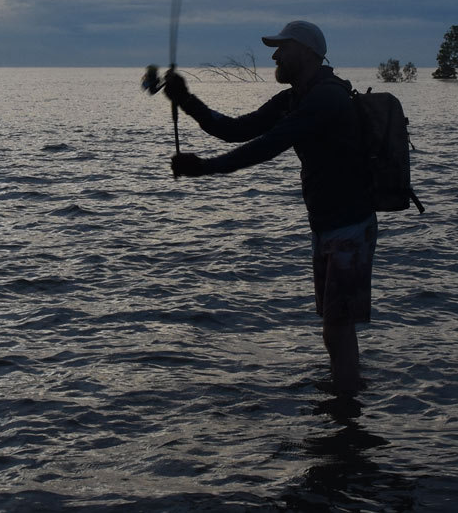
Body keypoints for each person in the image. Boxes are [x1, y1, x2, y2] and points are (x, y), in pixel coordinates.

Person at [161, 20, 376, 396]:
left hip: (349, 228)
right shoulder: (295, 97)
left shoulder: (325, 98)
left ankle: (346, 415)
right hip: (327, 227)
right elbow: (237, 130)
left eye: (283, 47)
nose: (274, 55)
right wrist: (187, 100)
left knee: (337, 328)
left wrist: (205, 167)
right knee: (334, 327)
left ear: (308, 52)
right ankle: (347, 402)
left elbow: (267, 146)